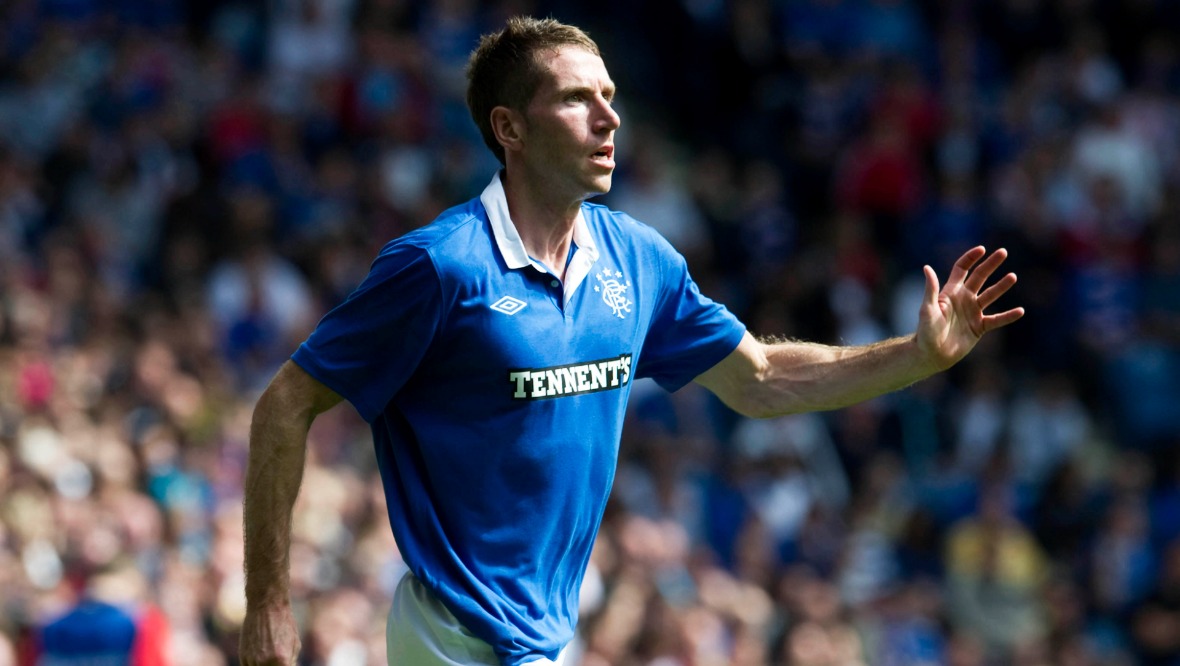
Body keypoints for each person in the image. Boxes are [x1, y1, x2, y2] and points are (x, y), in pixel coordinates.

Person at [239, 16, 1024, 666]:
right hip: (455, 636)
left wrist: (916, 356)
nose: (609, 118)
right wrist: (268, 604)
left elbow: (758, 379)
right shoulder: (439, 266)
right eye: (578, 100)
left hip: (545, 639)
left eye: (610, 97)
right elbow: (284, 406)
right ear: (508, 128)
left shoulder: (639, 260)